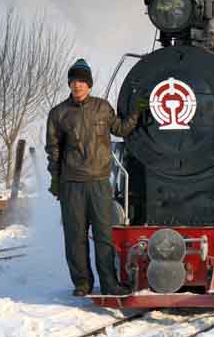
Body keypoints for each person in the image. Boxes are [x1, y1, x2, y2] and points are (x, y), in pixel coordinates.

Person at [45, 58, 143, 296]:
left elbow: (120, 129)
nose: (77, 85)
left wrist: (138, 111)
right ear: (69, 84)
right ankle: (82, 284)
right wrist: (56, 179)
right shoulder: (59, 113)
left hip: (99, 182)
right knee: (75, 238)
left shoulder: (102, 107)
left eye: (81, 81)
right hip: (72, 184)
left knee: (104, 236)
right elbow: (53, 149)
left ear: (89, 84)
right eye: (73, 81)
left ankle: (109, 283)